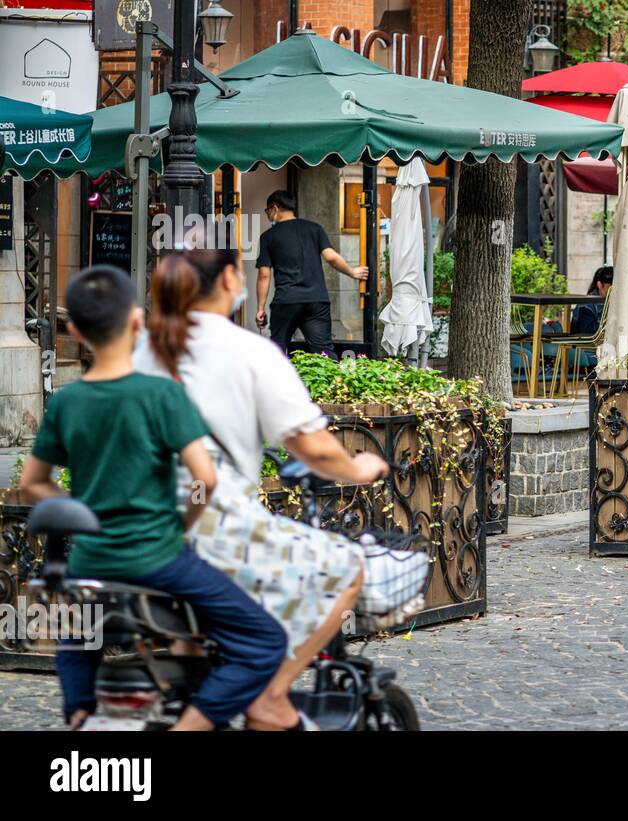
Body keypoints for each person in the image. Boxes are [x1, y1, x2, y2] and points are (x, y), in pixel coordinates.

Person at [135, 247, 400, 731]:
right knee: (347, 568)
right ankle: (273, 696)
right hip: (210, 520)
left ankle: (195, 686)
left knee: (200, 623)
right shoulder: (248, 351)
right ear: (232, 280)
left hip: (145, 523)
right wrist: (358, 468)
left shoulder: (144, 351)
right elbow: (313, 448)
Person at [20, 265, 289, 731]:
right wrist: (184, 521)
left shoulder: (66, 403)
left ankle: (80, 713)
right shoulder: (162, 394)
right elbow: (205, 478)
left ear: (76, 331)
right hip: (159, 557)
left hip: (91, 560)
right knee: (265, 640)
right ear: (138, 321)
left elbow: (33, 483)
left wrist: (81, 510)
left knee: (78, 634)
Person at [255, 190, 369, 357]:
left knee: (277, 351)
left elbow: (264, 275)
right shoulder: (314, 229)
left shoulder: (268, 237)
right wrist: (353, 272)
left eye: (267, 211)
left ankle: (277, 382)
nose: (268, 215)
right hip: (317, 301)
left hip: (287, 300)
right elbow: (330, 257)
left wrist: (260, 308)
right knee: (323, 351)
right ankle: (335, 382)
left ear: (275, 208)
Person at [571, 265, 613, 336]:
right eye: (610, 287)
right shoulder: (586, 305)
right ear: (599, 285)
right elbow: (589, 330)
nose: (613, 291)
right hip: (583, 344)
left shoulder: (612, 302)